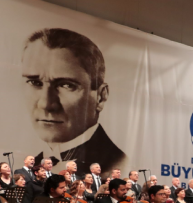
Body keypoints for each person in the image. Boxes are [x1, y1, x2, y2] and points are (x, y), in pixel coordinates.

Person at [22, 28, 128, 176]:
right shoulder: (32, 166)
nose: (46, 104)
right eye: (34, 82)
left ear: (100, 97)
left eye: (66, 85)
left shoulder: (116, 167)